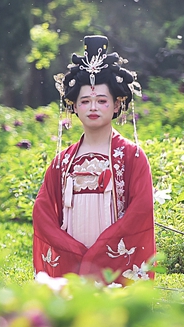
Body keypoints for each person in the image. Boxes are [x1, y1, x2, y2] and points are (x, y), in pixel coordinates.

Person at [32, 35, 156, 283]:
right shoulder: (62, 161)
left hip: (114, 255)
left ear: (117, 105)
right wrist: (71, 249)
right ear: (74, 106)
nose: (93, 108)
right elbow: (43, 211)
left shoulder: (131, 156)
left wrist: (102, 251)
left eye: (102, 101)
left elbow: (140, 211)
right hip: (72, 254)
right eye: (85, 101)